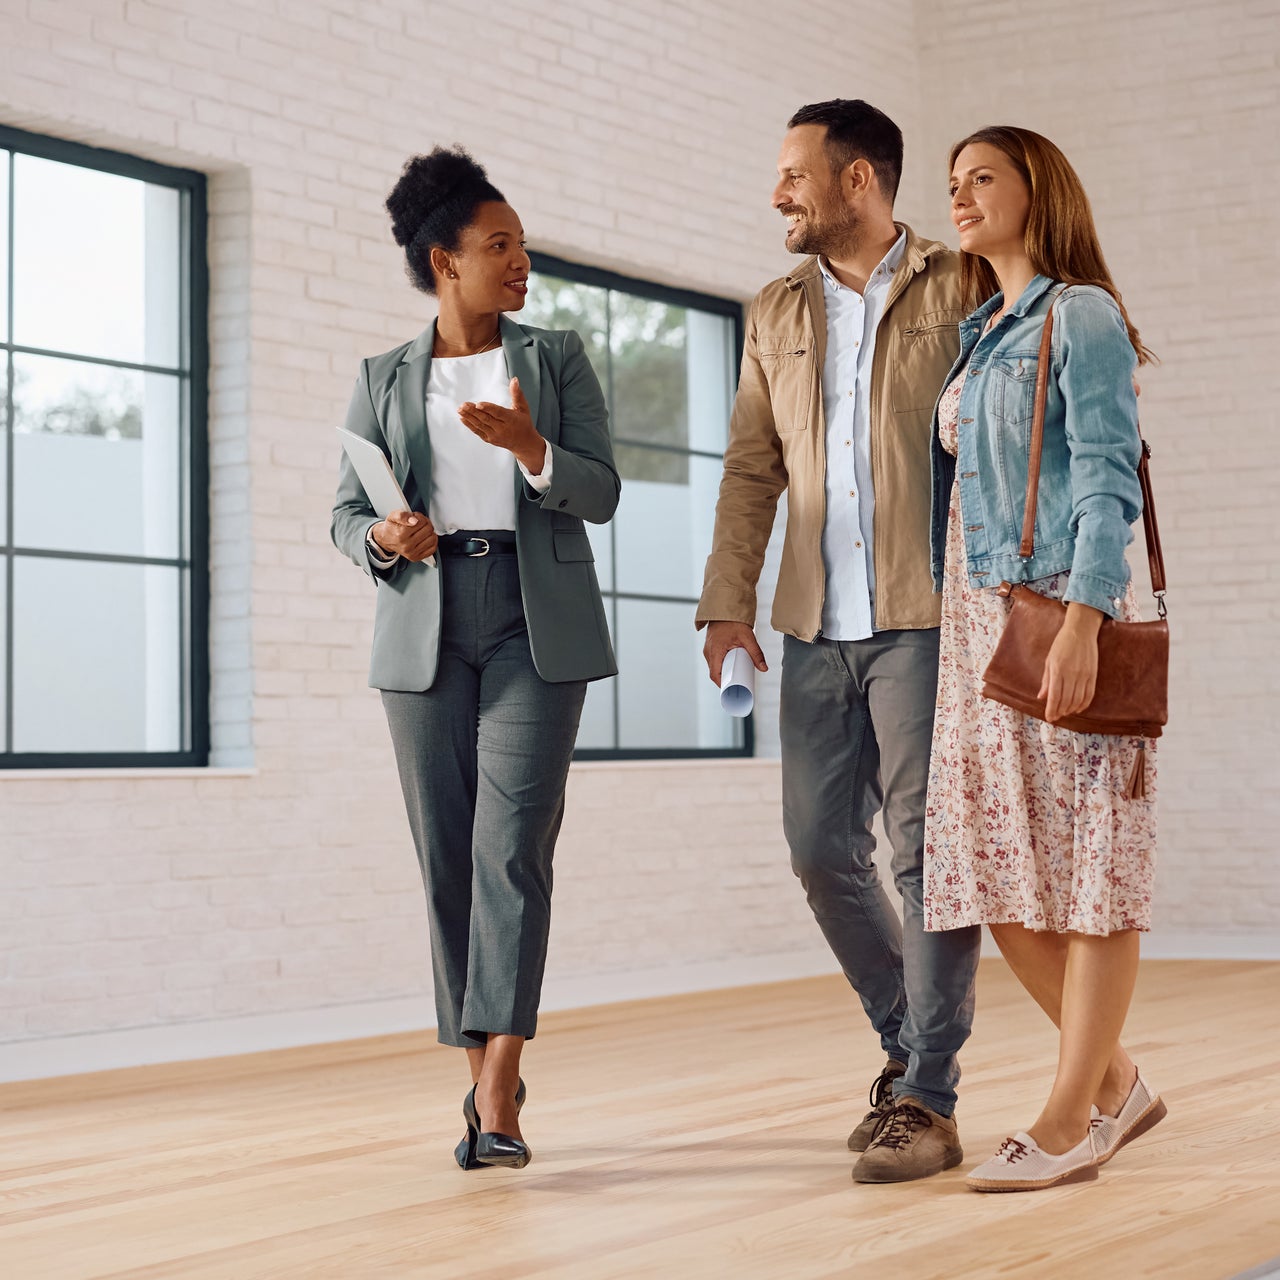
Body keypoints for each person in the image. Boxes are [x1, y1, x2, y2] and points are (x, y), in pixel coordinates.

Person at [696, 99, 983, 1184]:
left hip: (925, 616)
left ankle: (927, 1096)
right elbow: (749, 466)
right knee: (821, 849)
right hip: (813, 622)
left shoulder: (960, 286)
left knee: (923, 856)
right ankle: (908, 1046)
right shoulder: (774, 310)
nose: (777, 192)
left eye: (792, 173)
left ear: (857, 179)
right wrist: (727, 597)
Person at [331, 147, 619, 1171]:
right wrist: (384, 537)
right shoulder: (382, 379)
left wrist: (531, 448)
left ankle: (497, 1088)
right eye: (500, 245)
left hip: (531, 621)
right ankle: (479, 1062)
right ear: (443, 259)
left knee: (510, 849)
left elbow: (600, 489)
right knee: (446, 855)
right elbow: (343, 514)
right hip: (425, 621)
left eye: (523, 246)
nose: (520, 262)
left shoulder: (556, 358)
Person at [926, 125, 1164, 1192]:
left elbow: (1109, 472)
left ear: (1036, 192)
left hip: (1055, 611)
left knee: (1089, 875)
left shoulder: (1081, 314)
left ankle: (1068, 1118)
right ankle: (1118, 1085)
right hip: (974, 621)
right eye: (952, 183)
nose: (960, 195)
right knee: (993, 871)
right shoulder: (981, 331)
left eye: (982, 178)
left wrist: (1080, 619)